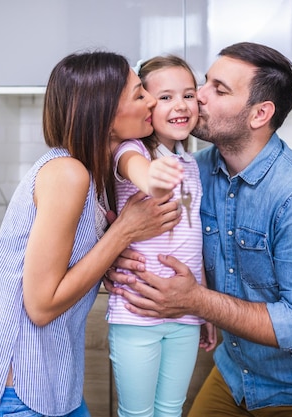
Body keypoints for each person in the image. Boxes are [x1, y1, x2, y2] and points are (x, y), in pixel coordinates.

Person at [106, 42, 292, 416]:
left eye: (219, 89)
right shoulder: (193, 172)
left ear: (260, 114)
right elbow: (138, 207)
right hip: (235, 376)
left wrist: (197, 302)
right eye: (205, 82)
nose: (197, 97)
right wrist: (116, 257)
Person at [0, 51, 182, 417]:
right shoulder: (67, 173)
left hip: (52, 386)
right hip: (17, 395)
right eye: (139, 94)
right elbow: (42, 305)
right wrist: (123, 231)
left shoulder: (94, 178)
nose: (152, 101)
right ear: (104, 112)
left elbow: (72, 273)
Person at [107, 55, 217, 417]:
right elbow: (138, 171)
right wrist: (154, 179)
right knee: (137, 413)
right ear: (145, 106)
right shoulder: (133, 151)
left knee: (171, 410)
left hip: (185, 313)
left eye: (188, 95)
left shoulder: (191, 164)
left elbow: (194, 240)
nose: (181, 105)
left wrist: (205, 308)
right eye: (165, 97)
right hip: (137, 312)